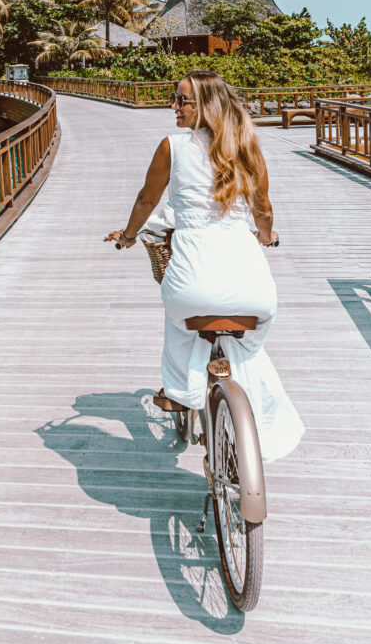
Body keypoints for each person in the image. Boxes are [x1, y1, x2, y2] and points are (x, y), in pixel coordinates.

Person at [105, 69, 304, 462]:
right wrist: (265, 236)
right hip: (252, 284)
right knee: (254, 328)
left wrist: (128, 237)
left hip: (193, 273)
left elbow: (146, 202)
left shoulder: (172, 147)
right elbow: (263, 210)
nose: (173, 106)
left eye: (181, 100)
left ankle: (180, 391)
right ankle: (238, 395)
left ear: (205, 106)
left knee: (177, 310)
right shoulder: (247, 147)